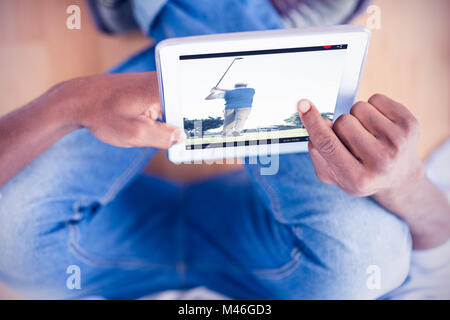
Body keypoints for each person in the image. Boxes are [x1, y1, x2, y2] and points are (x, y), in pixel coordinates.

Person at [0, 0, 449, 299]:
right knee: (370, 260)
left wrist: (70, 102)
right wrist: (406, 183)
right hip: (280, 270)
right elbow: (435, 254)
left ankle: (189, 12)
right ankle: (217, 17)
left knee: (8, 238)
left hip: (109, 269)